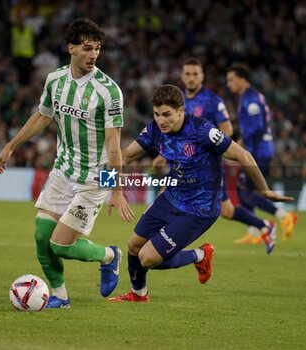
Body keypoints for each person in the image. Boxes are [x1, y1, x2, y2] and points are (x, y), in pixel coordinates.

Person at [0, 18, 134, 308]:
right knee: (43, 239)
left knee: (62, 244)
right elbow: (43, 116)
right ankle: (60, 296)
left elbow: (113, 145)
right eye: (87, 48)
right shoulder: (55, 80)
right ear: (71, 48)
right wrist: (10, 145)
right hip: (63, 170)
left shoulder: (108, 91)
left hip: (95, 177)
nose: (94, 55)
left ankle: (110, 256)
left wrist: (116, 189)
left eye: (97, 49)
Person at [109, 84, 293, 302]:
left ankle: (201, 255)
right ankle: (139, 294)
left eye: (167, 114)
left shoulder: (202, 130)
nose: (161, 120)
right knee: (134, 245)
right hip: (171, 197)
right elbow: (126, 155)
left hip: (198, 209)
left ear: (180, 111)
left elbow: (243, 155)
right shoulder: (154, 129)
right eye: (157, 114)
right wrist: (110, 184)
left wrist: (264, 190)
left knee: (147, 258)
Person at [153, 57, 274, 246]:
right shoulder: (176, 101)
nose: (191, 78)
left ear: (202, 76)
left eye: (195, 74)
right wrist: (163, 154)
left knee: (224, 210)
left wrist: (207, 149)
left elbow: (227, 130)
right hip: (181, 165)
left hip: (205, 167)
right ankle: (264, 225)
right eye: (187, 74)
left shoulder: (212, 100)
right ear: (182, 77)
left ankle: (159, 244)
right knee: (168, 195)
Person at [226, 63, 297, 242]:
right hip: (259, 149)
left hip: (258, 151)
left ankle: (281, 216)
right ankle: (256, 231)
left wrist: (240, 143)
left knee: (245, 192)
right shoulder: (250, 96)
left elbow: (256, 127)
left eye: (231, 79)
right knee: (246, 191)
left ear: (242, 79)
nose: (229, 84)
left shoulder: (250, 99)